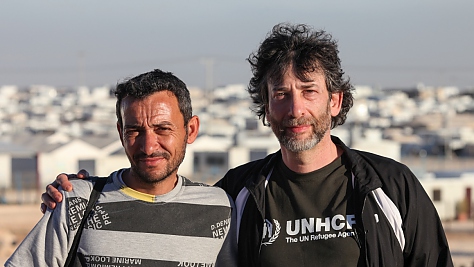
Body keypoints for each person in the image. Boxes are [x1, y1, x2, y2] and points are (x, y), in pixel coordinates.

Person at [40, 23, 453, 266]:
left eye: (308, 91)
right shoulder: (236, 194)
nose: (294, 108)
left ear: (336, 100)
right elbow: (160, 208)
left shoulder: (390, 187)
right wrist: (81, 192)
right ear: (266, 108)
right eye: (280, 94)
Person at [6, 69, 237, 267]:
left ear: (191, 130)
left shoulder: (220, 209)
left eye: (163, 129)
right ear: (120, 133)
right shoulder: (77, 201)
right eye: (134, 131)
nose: (148, 146)